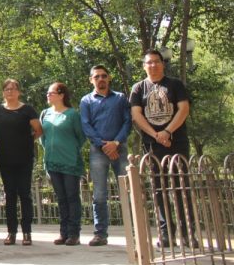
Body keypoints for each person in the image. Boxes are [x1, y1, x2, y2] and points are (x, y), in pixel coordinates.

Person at [130, 49, 196, 249]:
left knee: (181, 188)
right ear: (144, 66)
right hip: (153, 145)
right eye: (149, 62)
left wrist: (167, 131)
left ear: (163, 64)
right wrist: (155, 134)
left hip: (177, 142)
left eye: (156, 62)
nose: (153, 65)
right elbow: (136, 114)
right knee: (159, 190)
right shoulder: (139, 88)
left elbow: (183, 109)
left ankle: (188, 234)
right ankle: (166, 233)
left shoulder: (175, 84)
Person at [80, 65, 131, 246]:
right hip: (98, 151)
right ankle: (100, 233)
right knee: (99, 193)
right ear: (91, 80)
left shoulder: (120, 98)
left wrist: (115, 143)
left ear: (109, 78)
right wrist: (103, 145)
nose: (100, 79)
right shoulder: (86, 101)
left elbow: (127, 121)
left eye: (104, 76)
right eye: (97, 76)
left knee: (127, 190)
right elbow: (86, 125)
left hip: (120, 148)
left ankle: (133, 231)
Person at [0, 79, 42, 246]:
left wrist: (25, 142)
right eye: (6, 89)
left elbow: (38, 130)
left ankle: (27, 232)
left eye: (13, 89)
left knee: (25, 195)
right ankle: (11, 232)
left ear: (19, 91)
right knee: (10, 195)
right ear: (3, 92)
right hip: (5, 159)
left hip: (24, 159)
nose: (10, 91)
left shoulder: (27, 110)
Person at [40, 82, 85, 246]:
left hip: (70, 161)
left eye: (51, 92)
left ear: (61, 95)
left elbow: (81, 137)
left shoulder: (72, 114)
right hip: (52, 162)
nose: (48, 95)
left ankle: (74, 234)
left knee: (72, 197)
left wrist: (69, 149)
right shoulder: (45, 113)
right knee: (60, 199)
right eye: (48, 93)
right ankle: (63, 232)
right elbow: (42, 137)